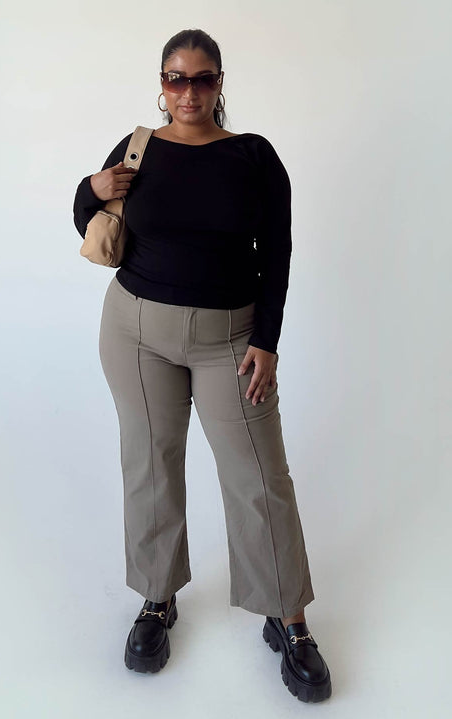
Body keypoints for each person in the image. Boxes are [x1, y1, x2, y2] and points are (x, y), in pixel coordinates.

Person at [72, 28, 331, 703]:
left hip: (230, 337)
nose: (189, 91)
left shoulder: (252, 156)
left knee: (258, 477)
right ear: (161, 85)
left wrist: (267, 340)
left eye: (203, 78)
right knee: (150, 464)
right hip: (135, 331)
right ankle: (156, 599)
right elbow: (90, 219)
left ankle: (288, 617)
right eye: (176, 78)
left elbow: (277, 252)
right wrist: (88, 187)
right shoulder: (138, 148)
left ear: (220, 84)